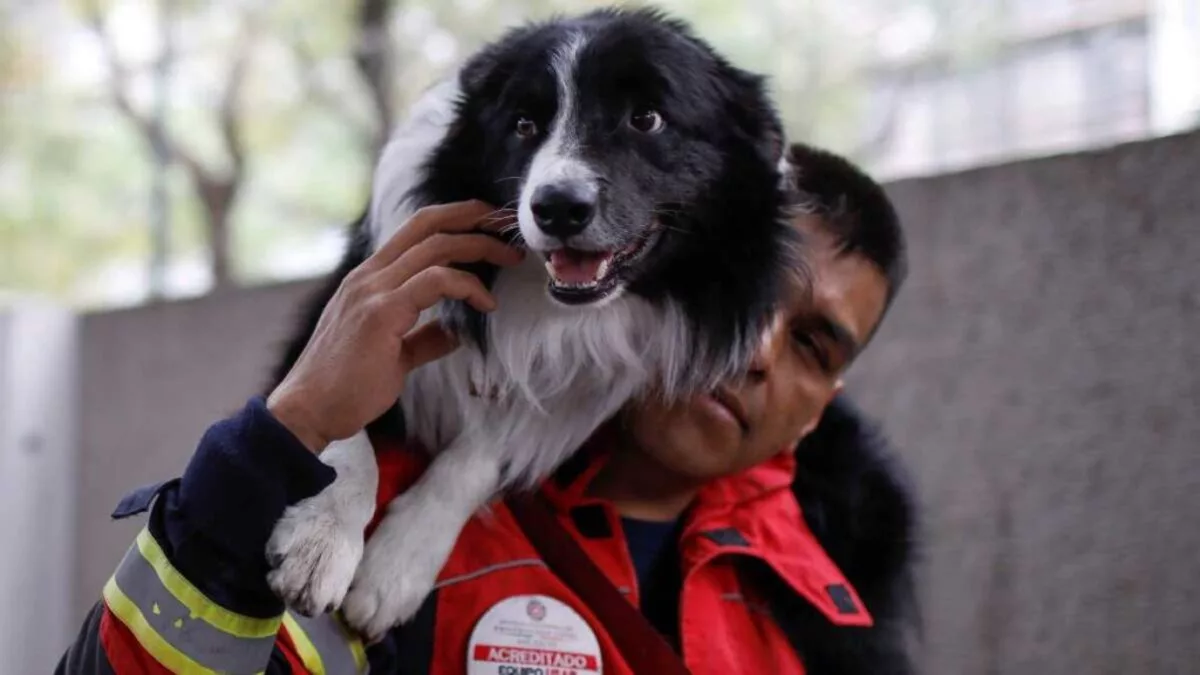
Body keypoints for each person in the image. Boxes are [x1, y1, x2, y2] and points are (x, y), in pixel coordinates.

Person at [57, 143, 916, 674]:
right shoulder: (372, 510)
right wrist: (284, 438)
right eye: (752, 294)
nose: (757, 352)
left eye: (812, 346)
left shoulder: (830, 609)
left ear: (821, 407)